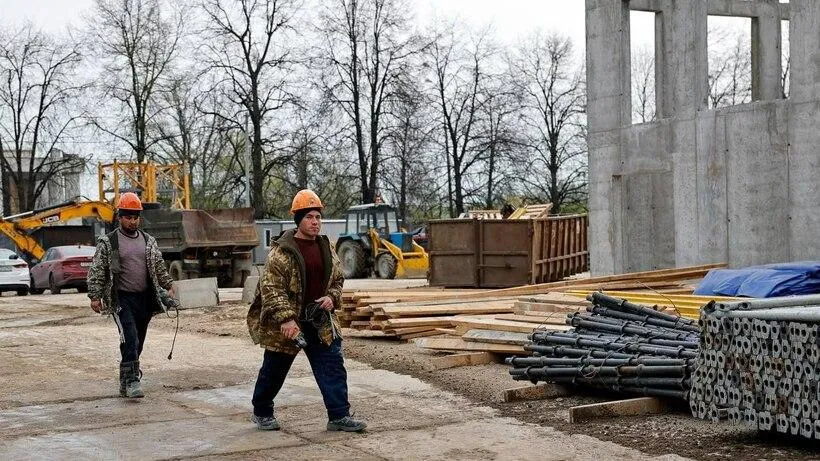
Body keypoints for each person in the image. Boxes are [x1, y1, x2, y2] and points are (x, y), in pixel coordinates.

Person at [247, 189, 366, 432]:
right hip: (289, 324)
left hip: (319, 320)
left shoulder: (326, 247)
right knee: (274, 370)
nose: (315, 222)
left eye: (318, 217)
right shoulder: (282, 252)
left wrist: (332, 297)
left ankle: (339, 416)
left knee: (332, 366)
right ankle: (262, 411)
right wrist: (286, 320)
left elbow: (337, 280)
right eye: (310, 217)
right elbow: (271, 288)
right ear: (298, 220)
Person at [87, 192, 175, 399]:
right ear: (120, 217)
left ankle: (125, 376)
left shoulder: (148, 241)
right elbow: (98, 269)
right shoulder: (109, 242)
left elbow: (158, 266)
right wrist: (95, 296)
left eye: (135, 217)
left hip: (144, 298)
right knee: (130, 336)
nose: (132, 221)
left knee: (137, 341)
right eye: (128, 217)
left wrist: (167, 285)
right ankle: (134, 379)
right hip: (121, 299)